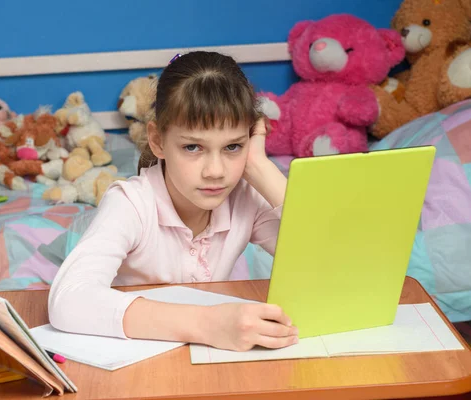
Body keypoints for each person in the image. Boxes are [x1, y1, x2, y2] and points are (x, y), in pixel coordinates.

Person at [52, 51, 297, 352]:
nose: (216, 172)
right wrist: (209, 324)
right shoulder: (131, 204)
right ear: (157, 141)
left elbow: (334, 258)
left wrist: (260, 167)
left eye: (233, 146)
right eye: (193, 147)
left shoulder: (245, 197)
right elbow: (69, 299)